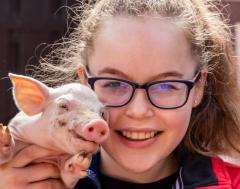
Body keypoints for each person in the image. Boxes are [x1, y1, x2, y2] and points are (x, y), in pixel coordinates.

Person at [1, 0, 240, 188]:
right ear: (86, 84)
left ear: (197, 88)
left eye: (167, 86)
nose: (137, 111)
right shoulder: (19, 178)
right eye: (114, 84)